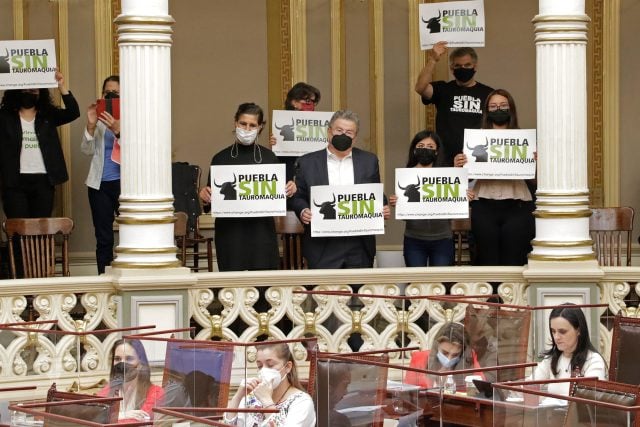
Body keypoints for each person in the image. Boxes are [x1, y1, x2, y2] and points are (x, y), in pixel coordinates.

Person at [198, 103, 296, 271]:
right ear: (235, 123)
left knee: (264, 288)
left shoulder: (269, 157)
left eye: (252, 125)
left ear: (260, 127)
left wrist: (290, 189)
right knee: (231, 287)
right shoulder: (220, 158)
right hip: (230, 234)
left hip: (262, 233)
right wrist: (205, 196)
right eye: (243, 124)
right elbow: (212, 200)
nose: (247, 128)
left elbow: (281, 196)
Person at [291, 110, 390, 269]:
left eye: (349, 132)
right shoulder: (307, 162)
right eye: (339, 130)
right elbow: (298, 196)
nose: (343, 135)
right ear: (329, 131)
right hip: (322, 245)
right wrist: (303, 210)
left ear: (355, 137)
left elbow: (376, 194)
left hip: (359, 245)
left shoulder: (369, 160)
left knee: (362, 292)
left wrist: (383, 207)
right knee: (324, 293)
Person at [454, 89, 535, 266]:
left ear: (511, 108)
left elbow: (536, 181)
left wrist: (535, 163)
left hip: (517, 205)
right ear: (487, 111)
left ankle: (511, 295)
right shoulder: (475, 140)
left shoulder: (525, 140)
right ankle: (490, 294)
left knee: (514, 257)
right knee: (486, 257)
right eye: (493, 106)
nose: (498, 109)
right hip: (484, 204)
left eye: (503, 105)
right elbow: (464, 178)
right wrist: (458, 166)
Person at [0, 71, 80, 218]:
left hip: (43, 180)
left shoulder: (48, 115)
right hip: (14, 181)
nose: (29, 92)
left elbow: (73, 112)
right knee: (18, 229)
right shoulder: (5, 117)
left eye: (33, 88)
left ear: (40, 91)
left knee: (40, 229)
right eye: (25, 88)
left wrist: (61, 85)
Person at [414, 42, 493, 166]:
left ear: (475, 66)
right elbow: (420, 88)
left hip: (478, 160)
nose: (463, 69)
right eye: (458, 66)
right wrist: (433, 59)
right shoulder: (443, 89)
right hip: (445, 161)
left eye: (467, 65)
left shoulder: (488, 94)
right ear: (452, 69)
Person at [390, 130, 454, 267]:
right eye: (421, 146)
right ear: (414, 150)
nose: (425, 149)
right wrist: (399, 204)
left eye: (430, 147)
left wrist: (464, 197)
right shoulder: (406, 176)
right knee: (416, 284)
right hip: (414, 240)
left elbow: (455, 206)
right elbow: (405, 216)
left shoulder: (448, 176)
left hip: (443, 239)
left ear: (437, 151)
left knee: (440, 285)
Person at [81, 75, 121, 274]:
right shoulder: (98, 119)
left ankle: (128, 278)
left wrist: (118, 130)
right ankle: (103, 279)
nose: (111, 95)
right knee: (104, 237)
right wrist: (90, 124)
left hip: (124, 184)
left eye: (116, 93)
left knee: (132, 234)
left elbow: (138, 153)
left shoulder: (133, 116)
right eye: (107, 92)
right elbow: (86, 150)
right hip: (99, 185)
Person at [225, 342, 315, 426]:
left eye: (270, 365)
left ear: (288, 367)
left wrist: (267, 401)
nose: (263, 371)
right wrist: (238, 397)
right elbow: (229, 425)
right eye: (260, 366)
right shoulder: (252, 398)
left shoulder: (301, 402)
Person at [531, 304, 607, 398]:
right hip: (552, 412)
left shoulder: (593, 361)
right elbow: (529, 385)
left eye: (562, 332)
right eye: (553, 331)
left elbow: (590, 400)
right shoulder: (551, 359)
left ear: (578, 330)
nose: (556, 337)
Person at [98, 338, 164, 422]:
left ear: (140, 364)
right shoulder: (108, 390)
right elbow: (94, 416)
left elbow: (136, 422)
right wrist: (123, 415)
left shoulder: (156, 393)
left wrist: (114, 416)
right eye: (117, 359)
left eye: (129, 359)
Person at [404, 322, 488, 388]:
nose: (449, 359)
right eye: (445, 353)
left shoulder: (469, 358)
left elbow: (482, 389)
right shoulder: (419, 358)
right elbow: (408, 393)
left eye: (455, 355)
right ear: (436, 347)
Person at [270, 82, 322, 182]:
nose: (311, 104)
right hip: (289, 176)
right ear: (294, 101)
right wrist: (276, 144)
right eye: (307, 100)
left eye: (313, 102)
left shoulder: (320, 124)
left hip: (312, 176)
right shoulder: (282, 122)